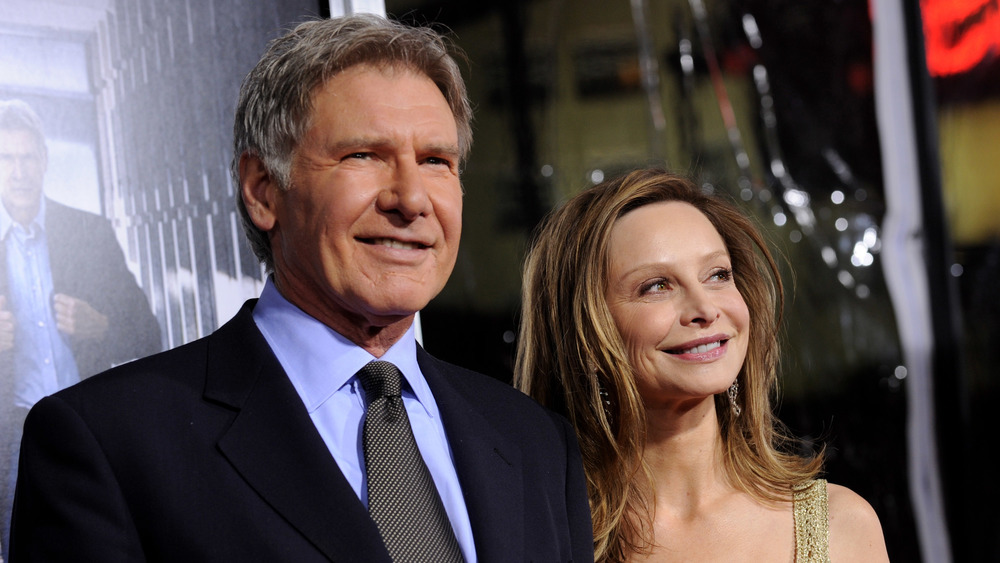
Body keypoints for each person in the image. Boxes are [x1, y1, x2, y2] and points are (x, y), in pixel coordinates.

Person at [9, 15, 592, 562]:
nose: (412, 199)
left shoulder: (535, 444)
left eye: (437, 160)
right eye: (364, 155)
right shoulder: (108, 443)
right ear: (263, 191)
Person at [515, 168, 889, 562]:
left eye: (718, 275)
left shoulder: (839, 525)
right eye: (656, 285)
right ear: (585, 333)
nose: (705, 309)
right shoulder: (540, 536)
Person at [0, 99, 162, 556]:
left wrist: (102, 327)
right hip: (12, 438)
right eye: (6, 158)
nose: (18, 171)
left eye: (27, 157)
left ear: (44, 161)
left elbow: (148, 333)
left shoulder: (88, 233)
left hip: (91, 424)